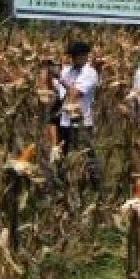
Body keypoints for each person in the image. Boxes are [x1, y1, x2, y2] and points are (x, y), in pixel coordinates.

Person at [56, 41, 99, 179]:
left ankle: (93, 185)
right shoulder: (66, 70)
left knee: (87, 156)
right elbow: (62, 95)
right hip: (65, 121)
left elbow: (74, 93)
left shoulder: (90, 73)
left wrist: (62, 81)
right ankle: (65, 184)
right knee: (64, 155)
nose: (73, 59)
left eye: (77, 55)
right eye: (72, 56)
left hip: (82, 121)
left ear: (86, 56)